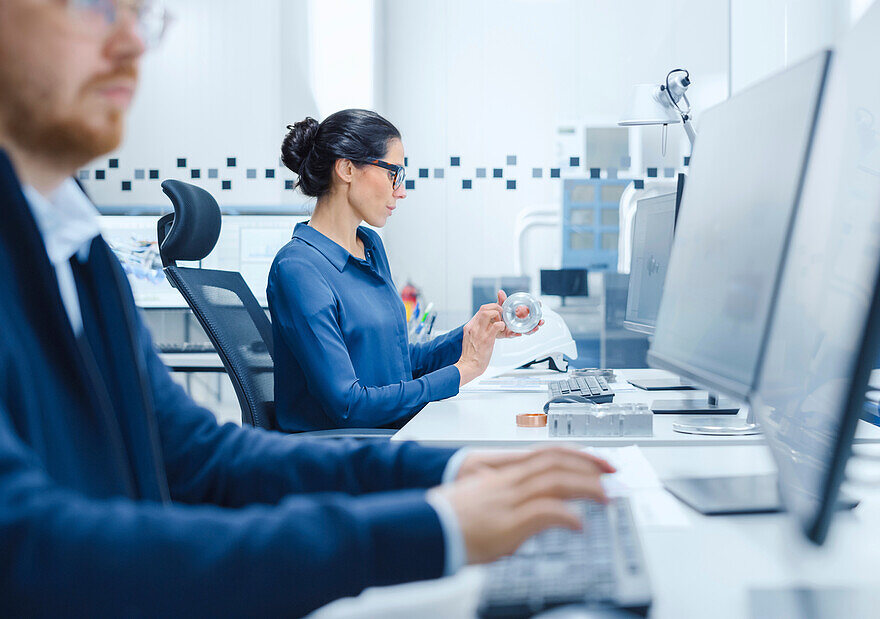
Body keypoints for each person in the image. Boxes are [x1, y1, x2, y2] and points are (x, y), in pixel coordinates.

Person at [0, 1, 610, 615]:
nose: (133, 40)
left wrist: (455, 472)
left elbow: (204, 458)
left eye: (141, 13)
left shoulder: (81, 258)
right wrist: (431, 528)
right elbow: (31, 549)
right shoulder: (297, 268)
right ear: (348, 171)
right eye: (95, 7)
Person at [267, 110, 539, 430]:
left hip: (384, 435)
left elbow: (399, 364)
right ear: (347, 168)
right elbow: (349, 405)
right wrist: (463, 370)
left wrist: (476, 333)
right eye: (393, 173)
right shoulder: (298, 269)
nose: (401, 190)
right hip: (343, 452)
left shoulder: (369, 246)